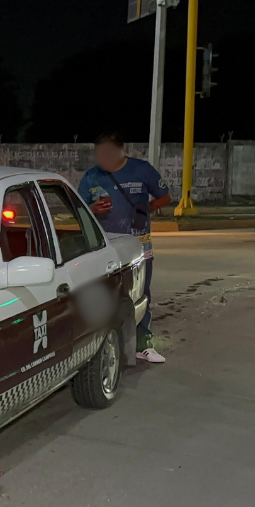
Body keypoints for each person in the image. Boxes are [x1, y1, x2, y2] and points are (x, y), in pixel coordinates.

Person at [78, 132, 171, 363]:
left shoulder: (142, 170)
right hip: (104, 247)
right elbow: (79, 210)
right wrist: (93, 209)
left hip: (139, 246)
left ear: (122, 150)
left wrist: (145, 208)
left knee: (141, 294)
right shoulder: (91, 177)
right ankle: (99, 349)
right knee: (100, 297)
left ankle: (143, 344)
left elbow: (165, 197)